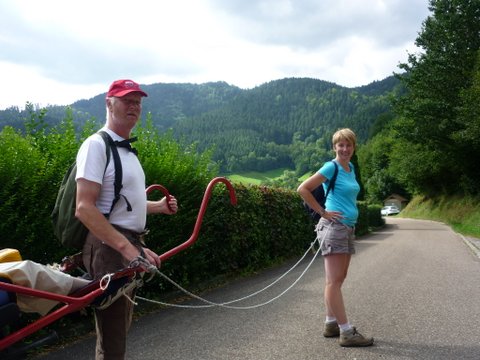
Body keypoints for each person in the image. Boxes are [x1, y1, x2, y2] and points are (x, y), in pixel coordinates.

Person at [75, 79, 178, 360]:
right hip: (108, 248)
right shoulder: (97, 146)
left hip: (124, 244)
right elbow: (84, 208)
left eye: (138, 101)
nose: (134, 106)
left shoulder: (126, 149)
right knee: (113, 338)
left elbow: (124, 204)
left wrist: (157, 207)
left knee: (119, 329)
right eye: (126, 100)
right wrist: (128, 249)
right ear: (109, 103)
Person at [297, 128, 374, 347]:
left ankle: (331, 323)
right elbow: (303, 189)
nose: (344, 148)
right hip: (334, 228)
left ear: (353, 147)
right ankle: (346, 332)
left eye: (348, 144)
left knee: (338, 279)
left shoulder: (349, 169)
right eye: (340, 145)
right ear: (334, 147)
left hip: (347, 228)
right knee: (333, 281)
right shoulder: (331, 167)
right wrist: (323, 212)